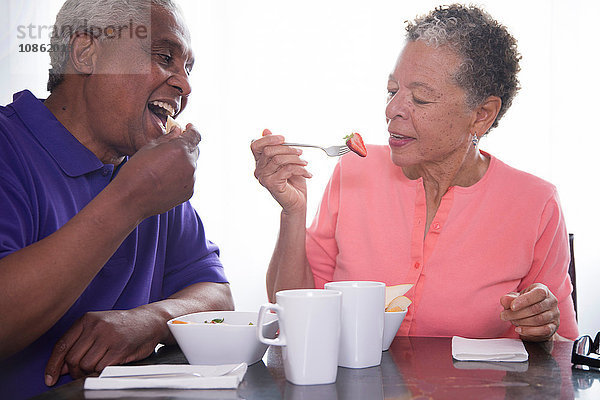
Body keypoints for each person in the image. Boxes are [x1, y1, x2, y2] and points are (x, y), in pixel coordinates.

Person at [251, 4, 578, 343]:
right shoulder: (353, 170)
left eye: (420, 99)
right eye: (392, 91)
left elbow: (564, 347)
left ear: (482, 114)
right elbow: (292, 313)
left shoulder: (536, 203)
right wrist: (293, 212)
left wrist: (541, 325)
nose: (392, 110)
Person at [0, 0, 233, 397]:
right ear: (85, 53)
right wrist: (131, 199)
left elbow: (217, 296)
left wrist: (152, 319)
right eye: (165, 57)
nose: (186, 85)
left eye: (188, 69)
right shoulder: (9, 148)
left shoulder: (149, 170)